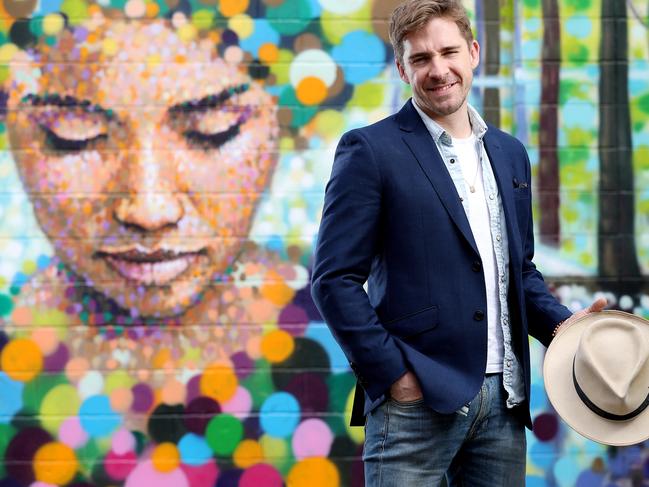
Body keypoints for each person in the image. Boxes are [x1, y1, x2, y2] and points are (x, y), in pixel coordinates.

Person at [0, 4, 356, 485]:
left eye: (214, 131)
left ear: (286, 117)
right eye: (73, 137)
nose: (149, 209)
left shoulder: (349, 354)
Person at [311, 0, 606, 484]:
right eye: (421, 58)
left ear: (474, 52)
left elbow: (519, 270)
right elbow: (333, 280)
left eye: (449, 52)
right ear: (402, 69)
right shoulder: (370, 150)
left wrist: (565, 328)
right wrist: (393, 376)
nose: (438, 69)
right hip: (416, 403)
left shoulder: (509, 154)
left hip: (505, 403)